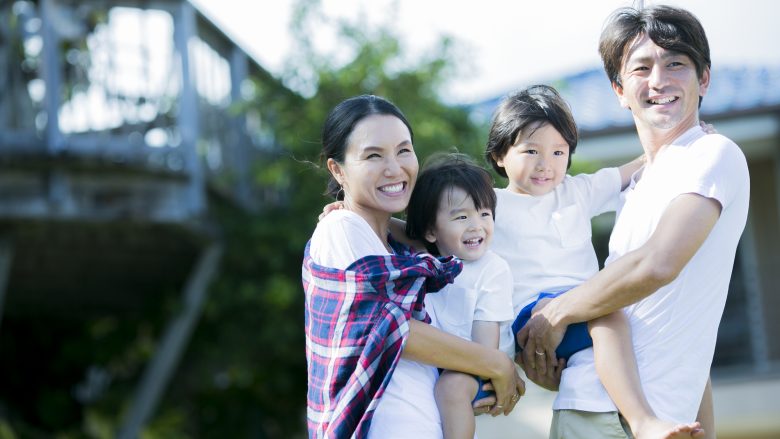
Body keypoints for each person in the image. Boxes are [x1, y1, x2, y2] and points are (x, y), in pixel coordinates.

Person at [517, 6, 750, 439]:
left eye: (675, 63)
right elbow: (674, 321)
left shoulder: (713, 154)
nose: (658, 80)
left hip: (649, 423)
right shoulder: (636, 186)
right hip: (591, 410)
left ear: (704, 80)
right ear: (620, 90)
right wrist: (551, 355)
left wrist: (557, 314)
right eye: (641, 68)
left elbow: (656, 265)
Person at [485, 84, 702, 439]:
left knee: (623, 319)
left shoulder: (576, 190)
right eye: (530, 151)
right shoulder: (489, 205)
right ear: (499, 155)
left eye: (558, 152)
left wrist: (689, 141)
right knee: (609, 312)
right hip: (532, 315)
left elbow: (638, 168)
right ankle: (642, 420)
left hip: (579, 311)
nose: (546, 165)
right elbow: (437, 226)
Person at [303, 94, 523, 438]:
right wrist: (495, 364)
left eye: (404, 150)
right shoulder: (342, 229)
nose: (395, 168)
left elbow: (439, 246)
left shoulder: (400, 251)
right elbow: (391, 328)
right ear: (337, 169)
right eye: (373, 155)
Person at [404, 153, 515, 439]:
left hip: (480, 363)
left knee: (450, 388)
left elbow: (485, 349)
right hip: (446, 361)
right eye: (462, 216)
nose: (476, 225)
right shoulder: (425, 260)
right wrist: (348, 209)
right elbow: (396, 229)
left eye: (484, 214)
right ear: (431, 230)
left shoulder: (492, 269)